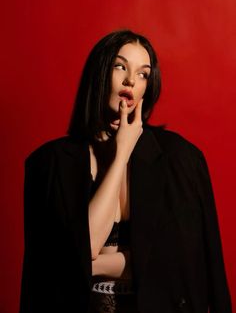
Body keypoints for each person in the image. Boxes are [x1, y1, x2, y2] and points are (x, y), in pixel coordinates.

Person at [19, 30, 232, 313]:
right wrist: (121, 155)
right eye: (120, 66)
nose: (131, 80)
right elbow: (53, 268)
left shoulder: (183, 159)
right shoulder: (48, 163)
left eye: (143, 74)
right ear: (99, 73)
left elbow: (193, 264)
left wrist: (94, 263)